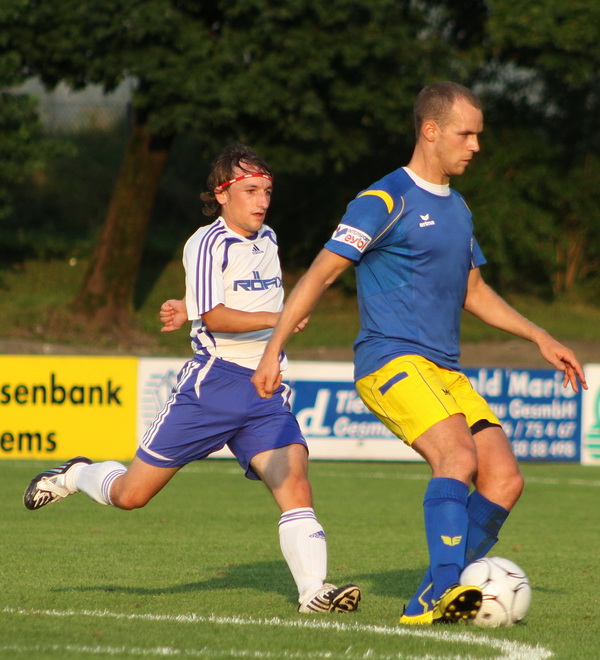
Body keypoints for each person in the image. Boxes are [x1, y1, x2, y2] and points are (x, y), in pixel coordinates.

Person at [251, 82, 587, 624]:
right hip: (391, 360)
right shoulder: (383, 201)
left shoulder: (459, 208)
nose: (476, 145)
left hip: (443, 370)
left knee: (504, 478)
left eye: (478, 134)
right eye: (465, 134)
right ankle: (449, 588)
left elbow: (474, 291)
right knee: (457, 457)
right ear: (431, 131)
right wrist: (274, 350)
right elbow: (320, 274)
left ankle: (427, 601)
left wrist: (540, 336)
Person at [23, 142, 361, 616]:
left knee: (295, 485)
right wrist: (275, 317)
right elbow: (219, 317)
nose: (262, 200)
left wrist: (188, 307)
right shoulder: (205, 243)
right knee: (132, 495)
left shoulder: (268, 238)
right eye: (250, 190)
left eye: (267, 190)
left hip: (264, 388)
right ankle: (77, 474)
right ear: (222, 194)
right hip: (212, 388)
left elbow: (236, 297)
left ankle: (313, 593)